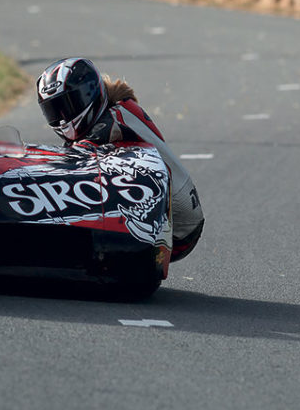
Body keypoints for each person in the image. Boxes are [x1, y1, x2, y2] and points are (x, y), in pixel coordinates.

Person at [36, 57, 204, 261]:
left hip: (180, 221)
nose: (62, 118)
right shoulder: (110, 115)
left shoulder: (119, 114)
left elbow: (73, 158)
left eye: (69, 105)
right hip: (163, 214)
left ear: (89, 95)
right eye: (54, 110)